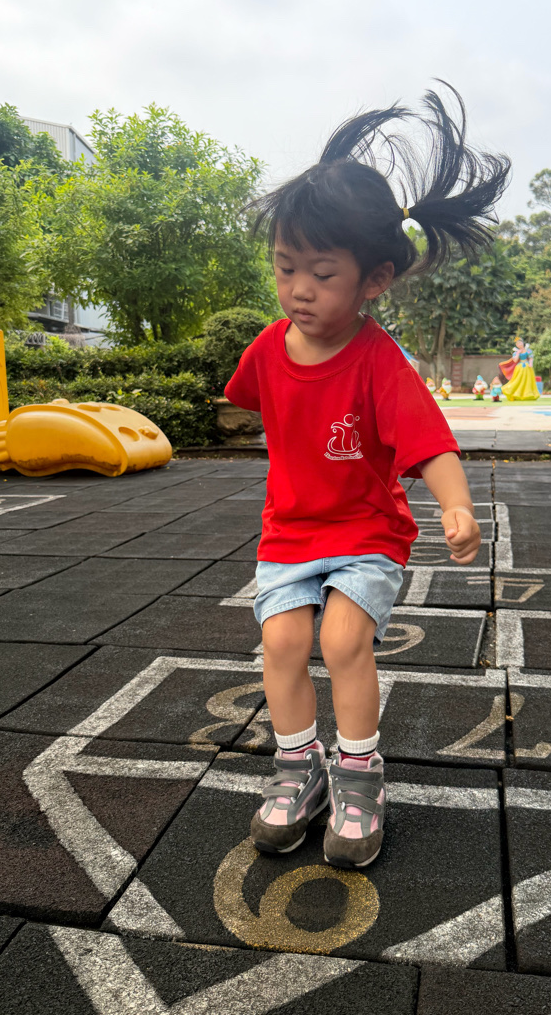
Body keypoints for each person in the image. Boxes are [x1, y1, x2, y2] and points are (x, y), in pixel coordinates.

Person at [225, 83, 509, 869]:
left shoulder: (379, 362)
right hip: (291, 532)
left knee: (344, 638)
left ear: (374, 280)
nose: (299, 289)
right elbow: (251, 398)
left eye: (321, 273)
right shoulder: (266, 349)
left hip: (365, 530)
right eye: (285, 268)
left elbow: (431, 444)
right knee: (282, 640)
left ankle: (358, 775)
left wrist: (457, 507)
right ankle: (298, 769)